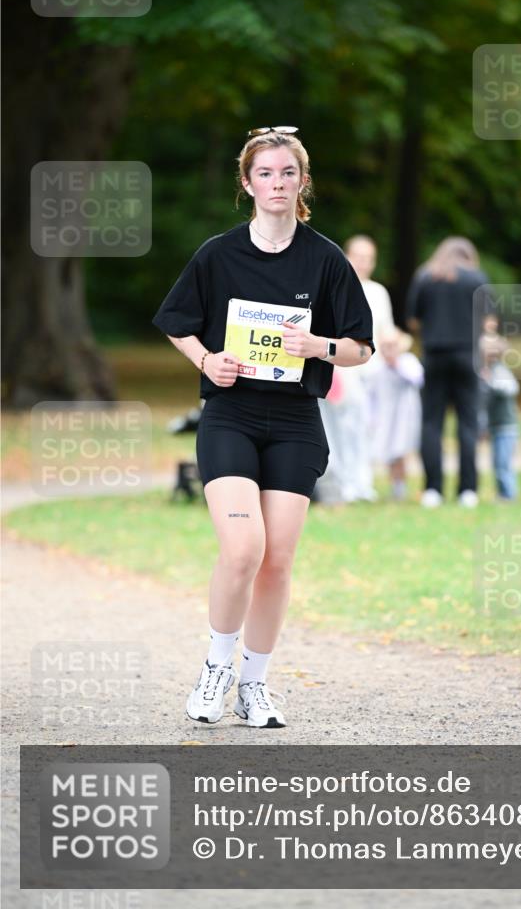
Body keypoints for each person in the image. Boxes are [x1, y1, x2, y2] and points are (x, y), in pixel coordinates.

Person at [152, 127, 374, 726]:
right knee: (244, 548)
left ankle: (255, 685)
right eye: (266, 174)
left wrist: (318, 344)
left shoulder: (326, 259)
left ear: (303, 183)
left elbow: (361, 348)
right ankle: (216, 666)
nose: (277, 184)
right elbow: (176, 321)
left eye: (288, 174)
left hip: (297, 421)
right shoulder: (217, 254)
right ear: (247, 183)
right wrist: (207, 360)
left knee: (277, 561)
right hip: (230, 414)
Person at [406, 236, 489, 508]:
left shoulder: (425, 276)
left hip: (434, 355)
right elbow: (489, 321)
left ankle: (433, 489)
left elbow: (413, 319)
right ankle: (468, 490)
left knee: (432, 423)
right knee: (468, 423)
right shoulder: (476, 278)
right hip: (468, 356)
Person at [317, 234, 394, 502]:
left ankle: (362, 482)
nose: (362, 263)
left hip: (372, 373)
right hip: (343, 371)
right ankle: (343, 482)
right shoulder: (333, 288)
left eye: (368, 259)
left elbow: (387, 332)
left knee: (365, 430)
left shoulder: (378, 292)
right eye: (358, 257)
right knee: (340, 429)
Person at [367, 327, 424, 500]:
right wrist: (371, 418)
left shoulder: (408, 361)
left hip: (405, 416)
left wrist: (396, 364)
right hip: (386, 417)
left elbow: (417, 379)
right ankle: (394, 485)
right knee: (388, 451)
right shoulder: (378, 369)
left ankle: (400, 487)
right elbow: (372, 395)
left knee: (400, 451)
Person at [478, 314, 520, 501]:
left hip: (507, 426)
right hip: (495, 425)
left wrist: (491, 383)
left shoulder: (500, 371)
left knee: (504, 462)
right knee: (496, 462)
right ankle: (502, 493)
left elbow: (511, 389)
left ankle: (509, 493)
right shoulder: (484, 372)